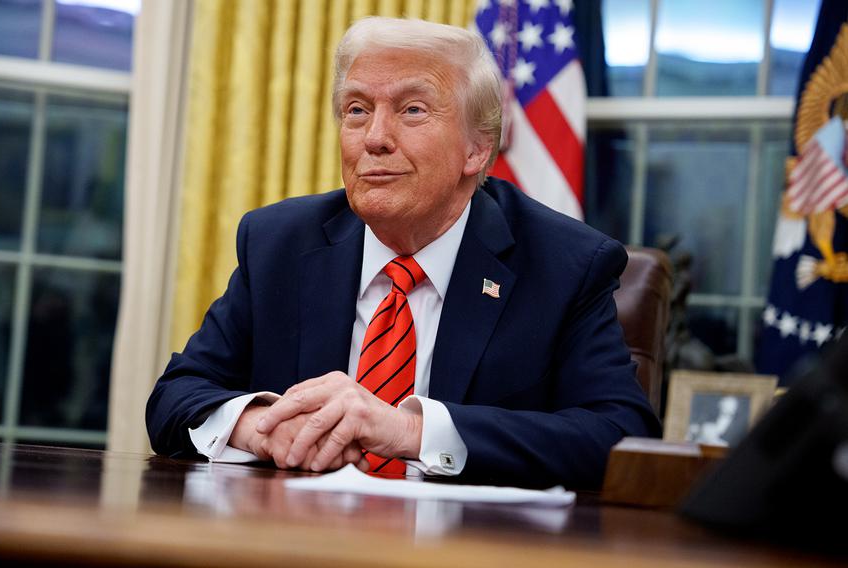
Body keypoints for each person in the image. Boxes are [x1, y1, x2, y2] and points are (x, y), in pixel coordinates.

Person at [146, 16, 661, 489]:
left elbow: (621, 438)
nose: (374, 138)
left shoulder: (564, 264)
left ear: (476, 148)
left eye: (412, 110)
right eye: (357, 110)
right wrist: (261, 427)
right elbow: (175, 395)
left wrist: (406, 430)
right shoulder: (280, 242)